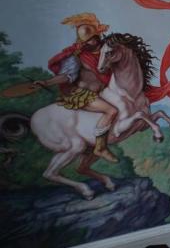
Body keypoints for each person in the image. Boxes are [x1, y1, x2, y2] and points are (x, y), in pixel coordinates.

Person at [33, 13, 119, 163]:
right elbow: (66, 76)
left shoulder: (106, 52)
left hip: (101, 92)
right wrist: (47, 82)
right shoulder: (77, 56)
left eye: (94, 38)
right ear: (82, 42)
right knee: (111, 111)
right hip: (82, 94)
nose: (93, 41)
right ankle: (100, 147)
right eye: (88, 40)